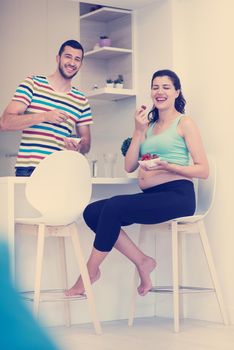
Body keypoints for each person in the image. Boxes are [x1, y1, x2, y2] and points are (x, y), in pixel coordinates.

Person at [66, 69, 209, 297]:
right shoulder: (148, 126)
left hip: (178, 196)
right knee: (92, 212)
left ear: (176, 92)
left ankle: (89, 272)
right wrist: (138, 130)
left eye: (166, 87)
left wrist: (170, 166)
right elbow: (130, 166)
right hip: (153, 197)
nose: (159, 92)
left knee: (113, 207)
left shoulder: (185, 123)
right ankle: (142, 261)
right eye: (155, 87)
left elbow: (203, 170)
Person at [0, 39, 92, 176]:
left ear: (81, 64)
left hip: (61, 173)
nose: (72, 63)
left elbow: (86, 145)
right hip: (29, 171)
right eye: (68, 56)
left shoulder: (81, 100)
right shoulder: (32, 84)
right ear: (58, 58)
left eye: (77, 59)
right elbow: (5, 123)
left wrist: (78, 146)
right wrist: (44, 116)